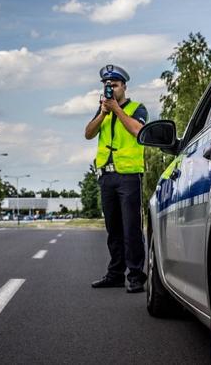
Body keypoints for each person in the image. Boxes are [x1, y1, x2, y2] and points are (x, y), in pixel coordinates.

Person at [84, 64, 148, 293]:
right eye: (107, 85)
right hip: (106, 175)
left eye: (114, 85)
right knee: (113, 230)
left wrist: (117, 111)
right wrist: (103, 112)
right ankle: (115, 273)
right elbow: (88, 133)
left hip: (128, 176)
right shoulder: (103, 110)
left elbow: (138, 131)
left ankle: (136, 276)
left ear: (124, 87)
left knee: (131, 228)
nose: (110, 88)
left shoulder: (137, 108)